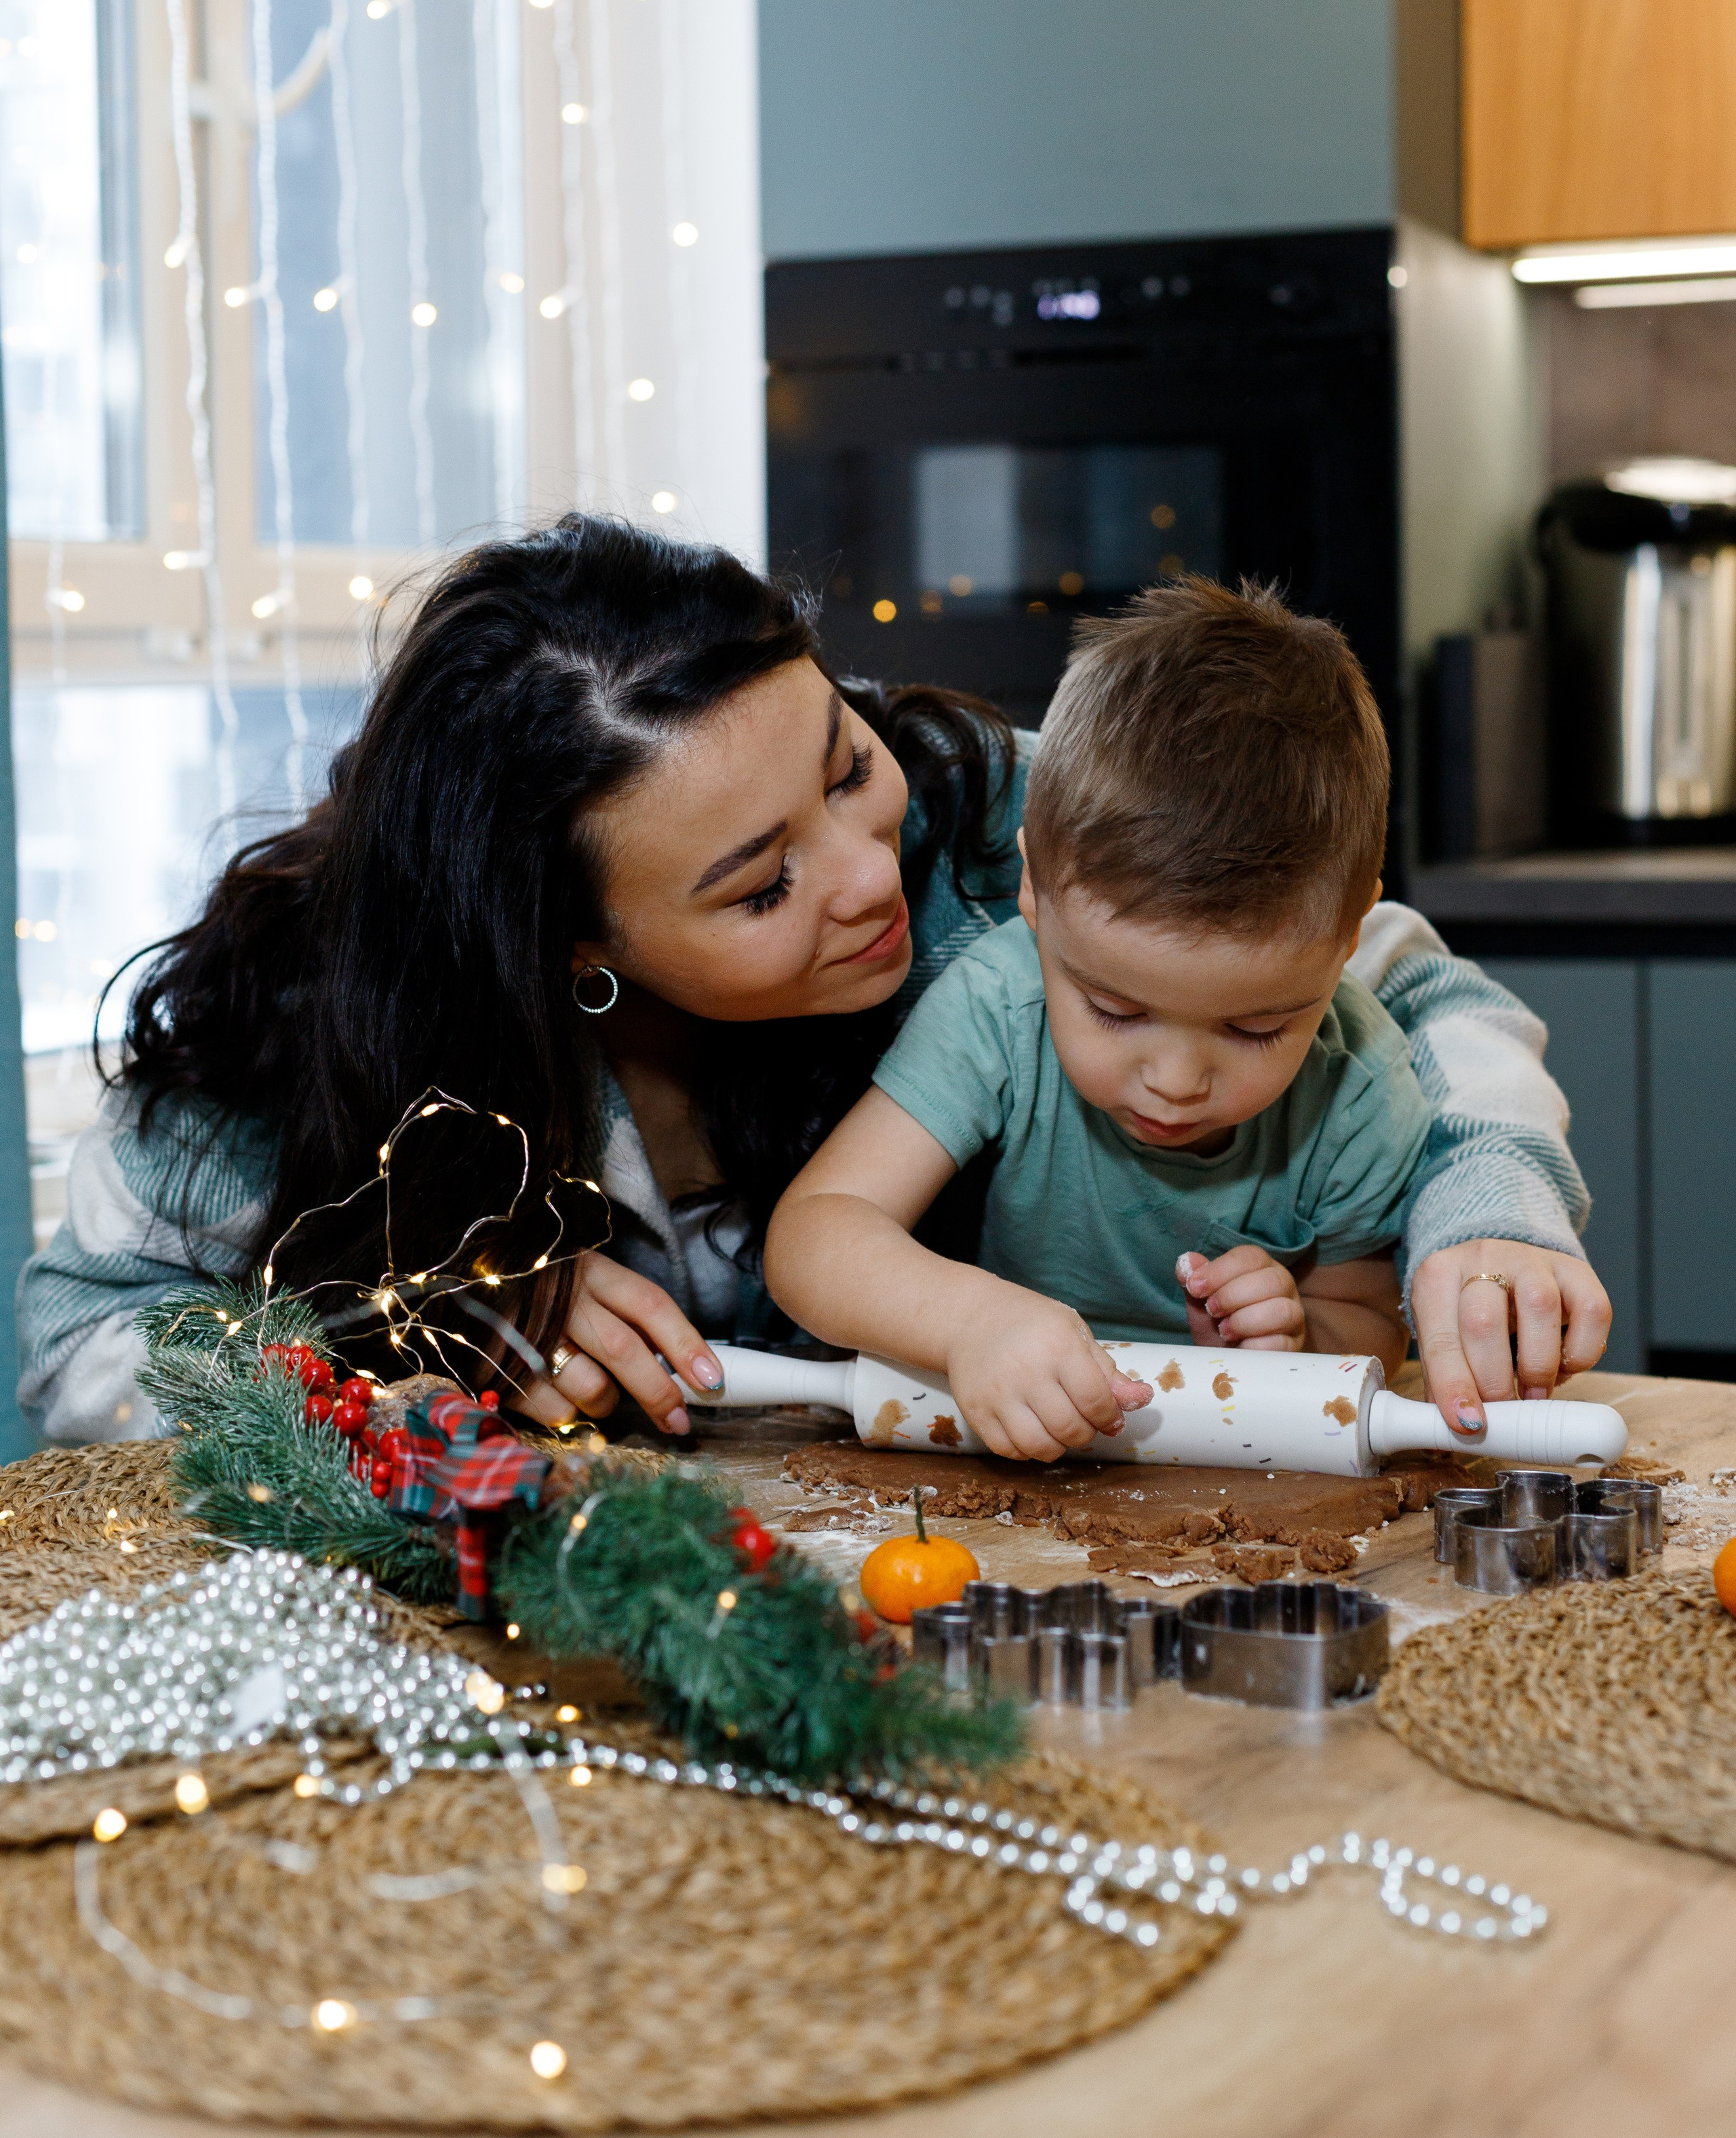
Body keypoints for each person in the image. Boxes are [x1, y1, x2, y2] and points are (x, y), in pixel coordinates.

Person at [15, 515, 1606, 1447]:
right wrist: (415, 1333)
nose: (864, 872)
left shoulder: (986, 817)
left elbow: (1396, 982)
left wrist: (1491, 1206)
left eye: (840, 764)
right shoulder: (315, 1048)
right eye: (760, 883)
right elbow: (80, 1343)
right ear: (574, 946)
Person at [764, 579, 1429, 1460]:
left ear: (1349, 938)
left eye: (1255, 1029)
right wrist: (972, 1322)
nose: (1176, 1079)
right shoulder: (1003, 1003)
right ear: (1033, 889)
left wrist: (1301, 1333)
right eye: (1115, 1011)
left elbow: (1372, 1323)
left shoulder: (1360, 1088)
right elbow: (815, 1235)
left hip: (1233, 1476)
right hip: (1020, 1472)